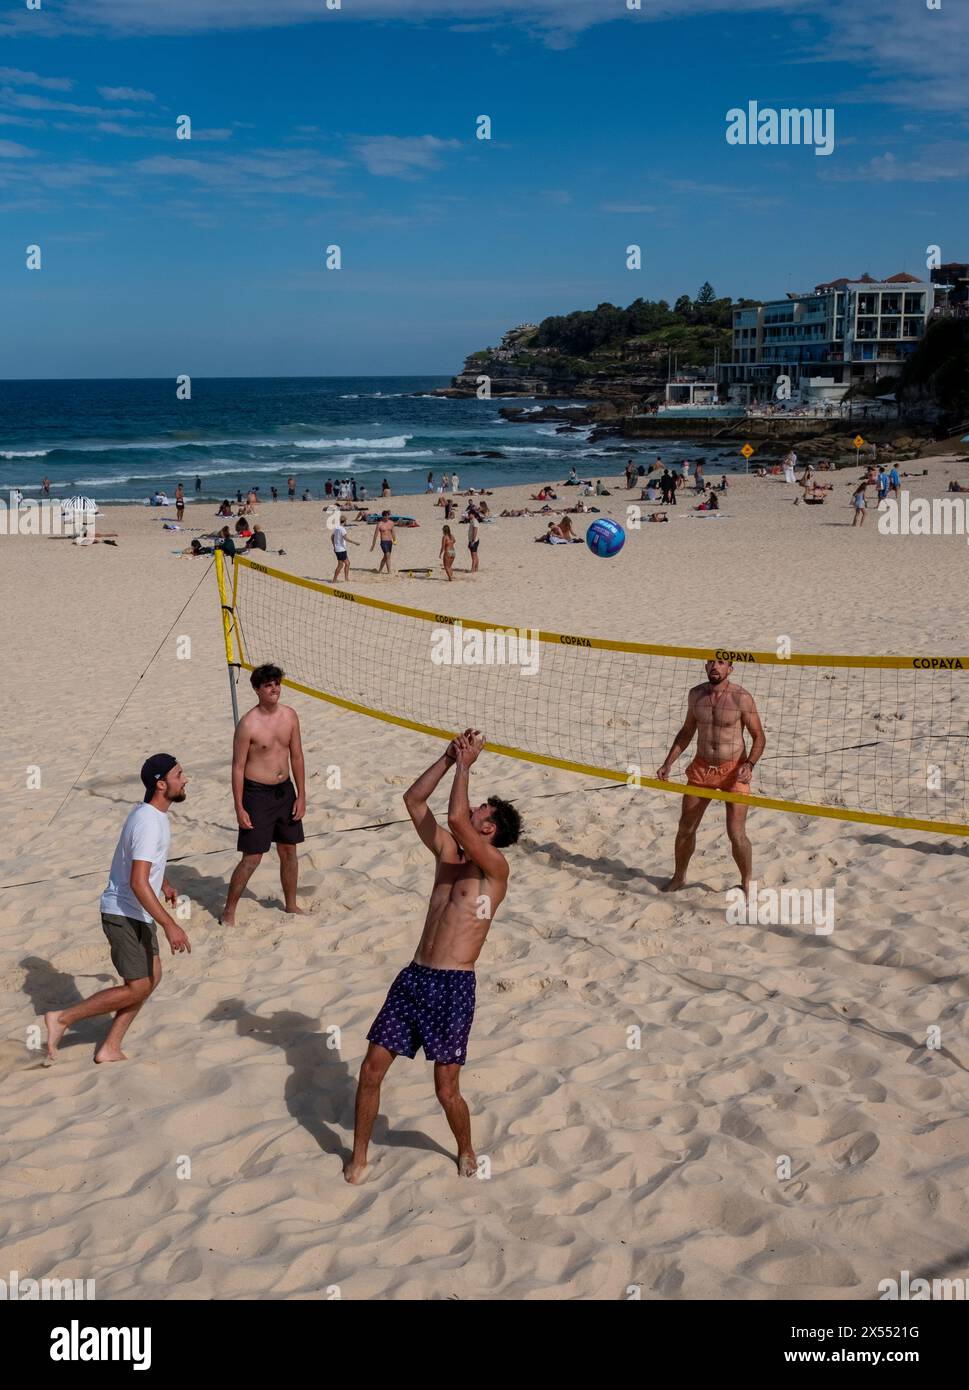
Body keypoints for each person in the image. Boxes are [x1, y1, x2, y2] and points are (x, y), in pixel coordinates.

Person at [344, 731, 521, 1183]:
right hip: (414, 976)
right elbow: (414, 801)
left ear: (490, 829)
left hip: (453, 986)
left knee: (446, 1089)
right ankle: (359, 1156)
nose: (475, 808)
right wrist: (447, 758)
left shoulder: (494, 870)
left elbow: (456, 818)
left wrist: (467, 765)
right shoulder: (449, 855)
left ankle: (465, 1148)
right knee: (369, 1071)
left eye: (483, 809)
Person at [43, 755, 191, 1063]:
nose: (185, 779)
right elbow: (138, 883)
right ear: (161, 784)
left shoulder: (153, 815)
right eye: (179, 775)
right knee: (138, 986)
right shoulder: (149, 822)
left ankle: (110, 1047)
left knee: (152, 977)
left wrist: (163, 884)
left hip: (136, 910)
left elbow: (143, 867)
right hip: (123, 912)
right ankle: (62, 1018)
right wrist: (170, 925)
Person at [657, 658, 766, 898]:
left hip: (734, 770)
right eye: (711, 663)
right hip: (702, 768)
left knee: (736, 833)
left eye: (722, 663)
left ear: (730, 669)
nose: (715, 667)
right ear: (706, 667)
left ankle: (747, 882)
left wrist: (749, 765)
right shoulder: (695, 695)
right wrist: (668, 762)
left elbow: (759, 736)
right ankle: (679, 877)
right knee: (685, 827)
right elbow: (686, 732)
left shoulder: (741, 698)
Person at [222, 664, 306, 925]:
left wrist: (302, 795)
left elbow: (297, 755)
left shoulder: (290, 716)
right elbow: (237, 767)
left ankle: (291, 904)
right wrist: (239, 806)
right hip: (256, 794)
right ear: (257, 689)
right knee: (252, 857)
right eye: (268, 685)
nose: (274, 689)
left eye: (277, 683)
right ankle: (229, 910)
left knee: (288, 851)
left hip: (285, 791)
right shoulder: (248, 724)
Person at [331, 512, 359, 582]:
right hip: (341, 549)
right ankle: (335, 579)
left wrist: (334, 546)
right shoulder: (342, 529)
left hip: (338, 549)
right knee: (341, 565)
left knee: (347, 563)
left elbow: (332, 537)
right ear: (345, 521)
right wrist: (355, 542)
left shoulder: (336, 528)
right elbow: (345, 538)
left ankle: (346, 578)